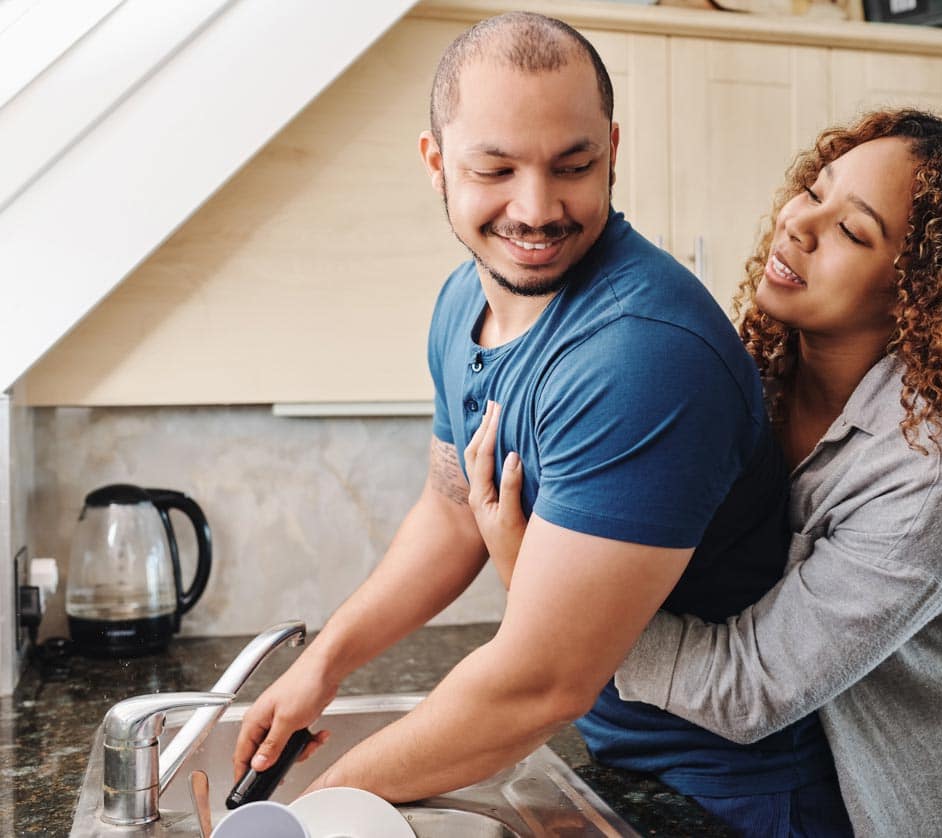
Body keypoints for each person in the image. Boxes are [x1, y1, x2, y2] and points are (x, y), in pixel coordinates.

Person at [232, 11, 853, 834]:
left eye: (573, 166)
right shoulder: (467, 300)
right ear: (436, 164)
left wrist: (313, 814)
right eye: (495, 169)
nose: (536, 210)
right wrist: (324, 665)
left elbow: (539, 685)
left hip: (741, 796)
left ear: (613, 152)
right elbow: (453, 509)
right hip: (621, 754)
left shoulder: (641, 357)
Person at [466, 107, 942, 837]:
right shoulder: (759, 378)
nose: (800, 223)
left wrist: (545, 592)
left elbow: (749, 687)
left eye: (852, 231)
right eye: (815, 190)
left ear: (923, 295)